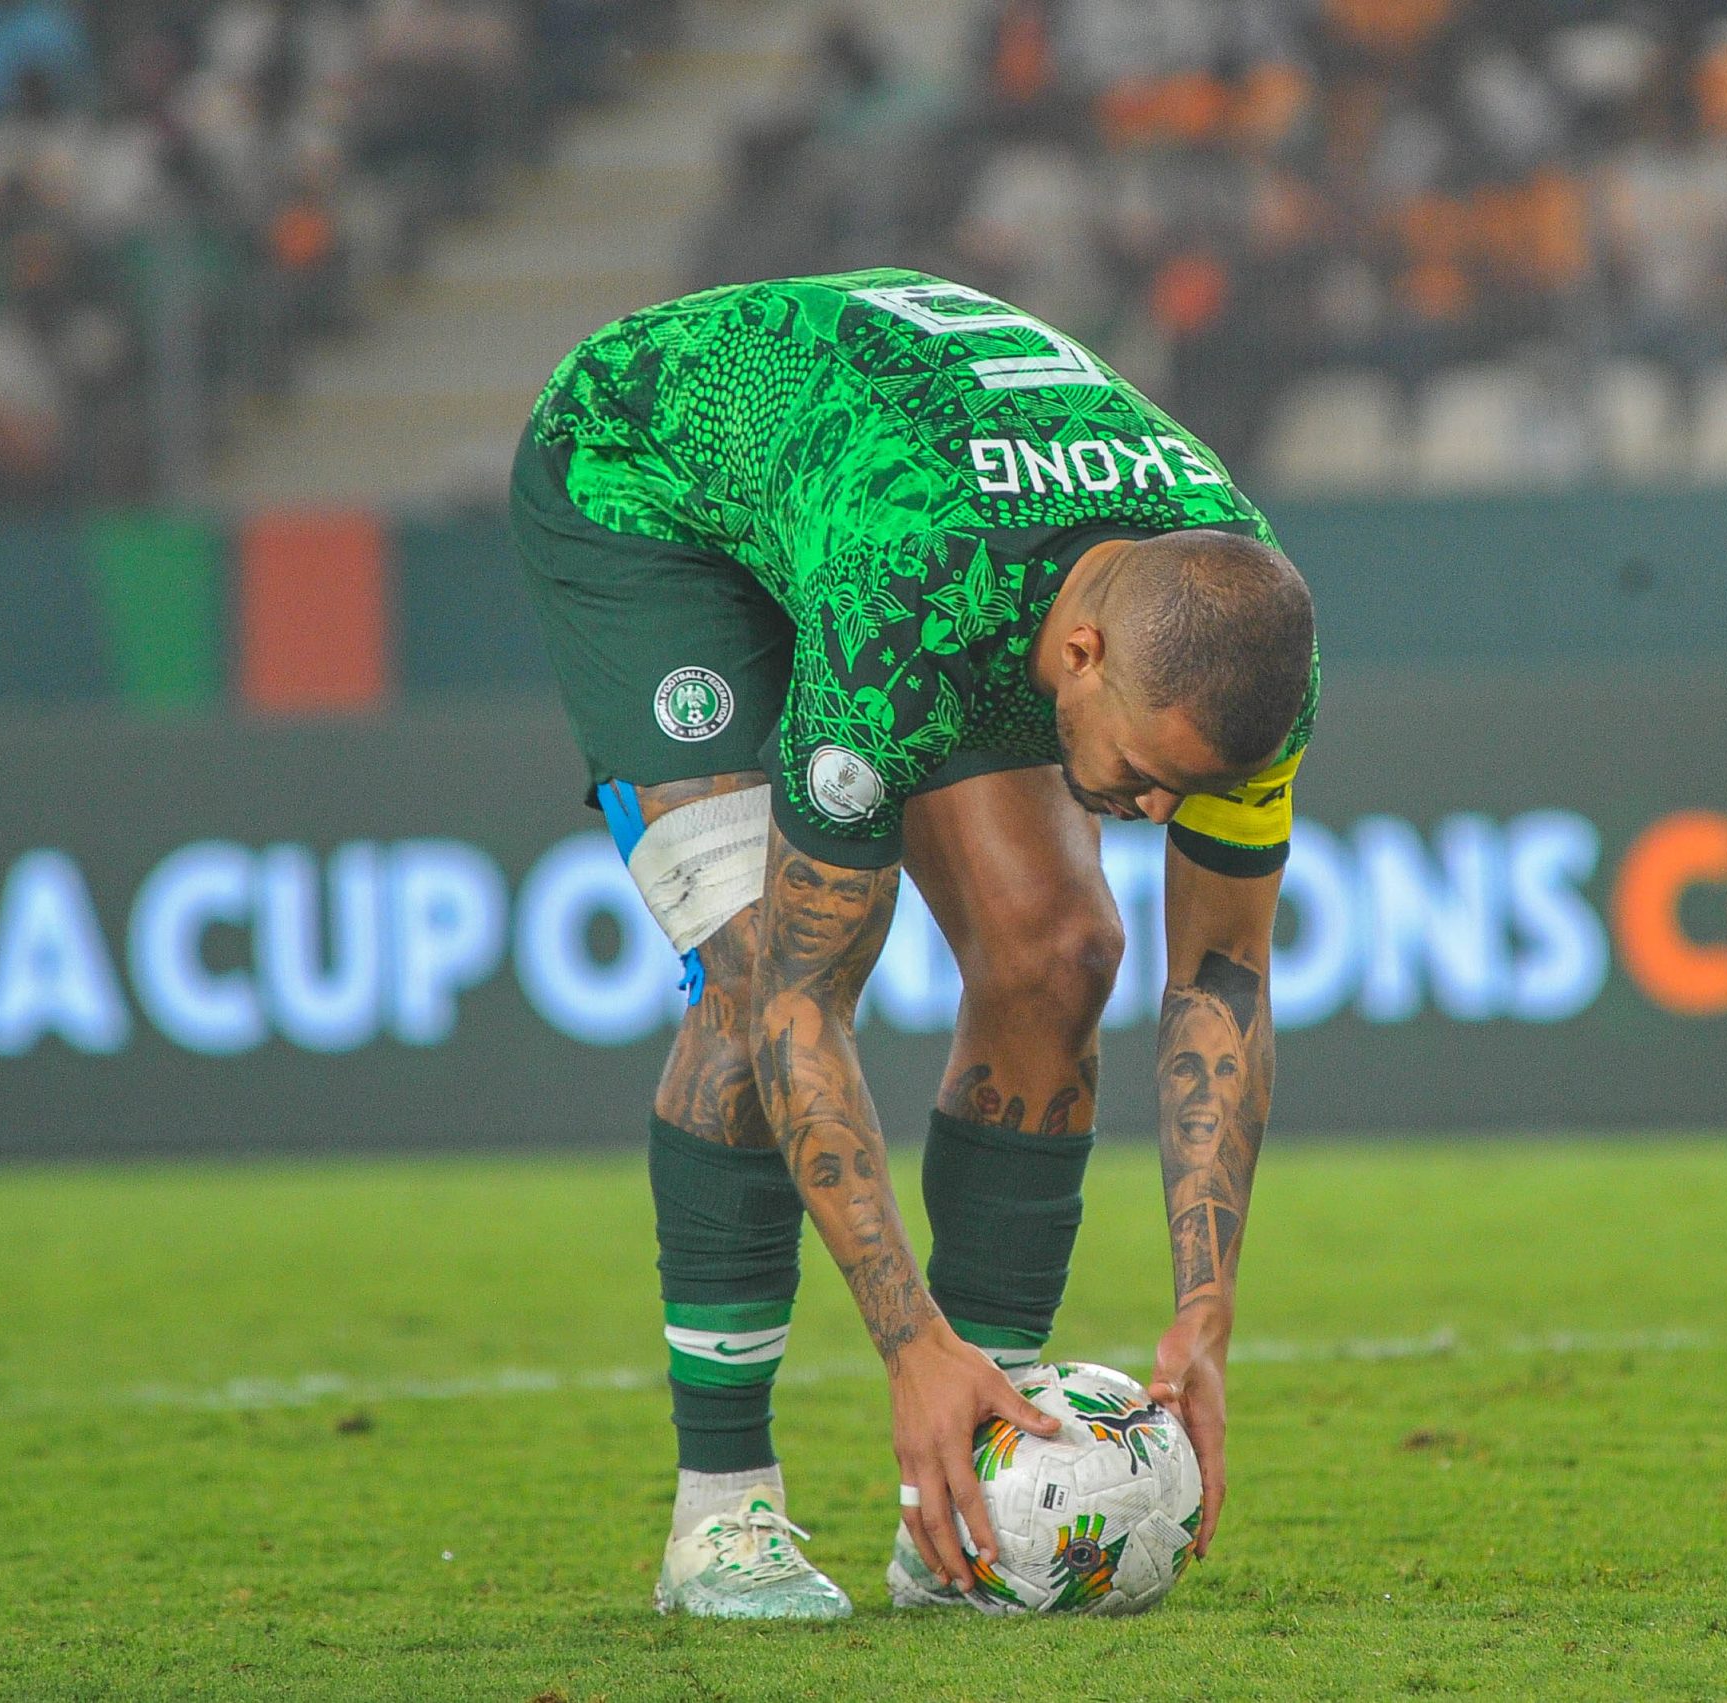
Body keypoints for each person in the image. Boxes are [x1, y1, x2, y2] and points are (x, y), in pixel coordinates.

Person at [510, 268, 1319, 1619]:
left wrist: (1205, 1306)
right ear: (1078, 654)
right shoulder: (914, 598)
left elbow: (1220, 978)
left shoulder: (1239, 634)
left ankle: (974, 1503)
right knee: (759, 963)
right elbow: (801, 1014)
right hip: (654, 482)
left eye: (1181, 786)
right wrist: (909, 1345)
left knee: (1061, 952)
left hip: (905, 498)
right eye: (1139, 770)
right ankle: (724, 1517)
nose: (1155, 808)